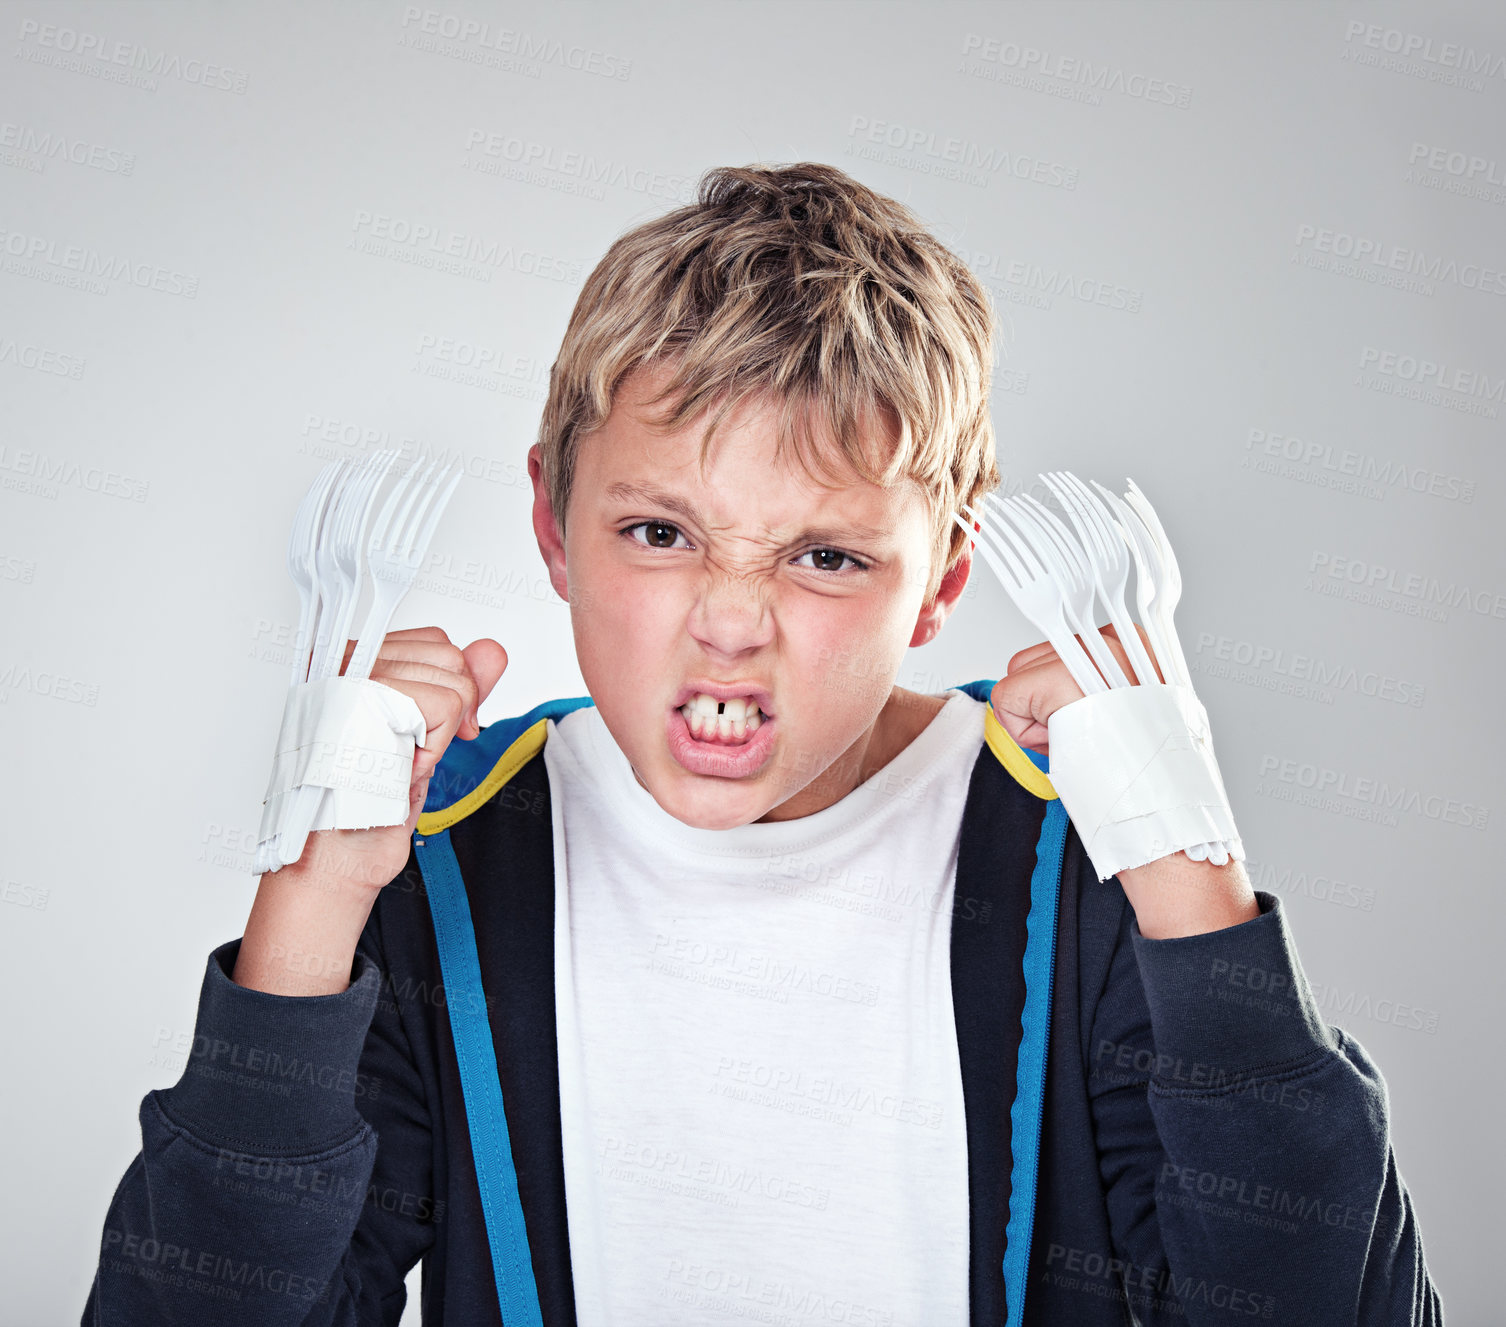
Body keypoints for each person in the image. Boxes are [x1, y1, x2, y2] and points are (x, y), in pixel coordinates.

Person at [83, 163, 1443, 1326]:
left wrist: (1181, 864)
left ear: (943, 580)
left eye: (827, 555)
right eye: (658, 533)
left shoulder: (1077, 854)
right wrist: (310, 901)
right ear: (554, 530)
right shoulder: (438, 858)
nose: (730, 622)